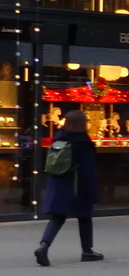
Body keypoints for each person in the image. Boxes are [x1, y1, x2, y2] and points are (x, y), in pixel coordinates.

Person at [34, 110, 101, 266]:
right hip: (78, 185)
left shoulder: (58, 139)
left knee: (57, 218)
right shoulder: (83, 142)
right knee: (85, 217)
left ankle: (44, 245)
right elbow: (88, 169)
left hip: (59, 184)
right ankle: (87, 250)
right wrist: (94, 191)